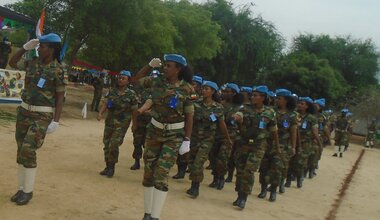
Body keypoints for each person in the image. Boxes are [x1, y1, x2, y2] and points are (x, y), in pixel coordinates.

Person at [131, 54, 195, 220]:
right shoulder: (157, 81)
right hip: (154, 131)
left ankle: (155, 216)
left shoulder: (187, 89)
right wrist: (148, 66)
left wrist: (187, 140)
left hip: (173, 136)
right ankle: (147, 213)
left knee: (161, 173)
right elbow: (136, 81)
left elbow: (189, 116)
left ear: (178, 69)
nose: (164, 68)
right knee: (148, 173)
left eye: (168, 65)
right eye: (164, 65)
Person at [8, 33, 66, 205]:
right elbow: (12, 63)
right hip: (24, 111)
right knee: (21, 150)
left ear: (52, 49)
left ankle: (28, 191)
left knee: (28, 149)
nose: (39, 49)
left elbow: (60, 96)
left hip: (42, 115)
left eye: (42, 46)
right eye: (39, 46)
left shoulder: (58, 70)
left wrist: (56, 120)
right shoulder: (32, 63)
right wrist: (24, 48)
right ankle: (21, 188)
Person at [231, 85, 279, 209]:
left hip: (258, 145)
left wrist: (277, 147)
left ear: (263, 98)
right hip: (243, 143)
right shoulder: (245, 108)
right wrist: (237, 117)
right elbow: (239, 114)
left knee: (249, 170)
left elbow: (274, 130)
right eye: (252, 95)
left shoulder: (269, 112)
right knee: (240, 171)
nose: (252, 97)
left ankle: (244, 198)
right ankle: (239, 194)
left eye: (255, 95)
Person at [186, 80, 232, 198]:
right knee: (191, 162)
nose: (204, 90)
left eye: (207, 89)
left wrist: (227, 138)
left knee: (198, 162)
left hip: (207, 140)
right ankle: (193, 183)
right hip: (194, 138)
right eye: (203, 88)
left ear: (213, 92)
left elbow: (222, 124)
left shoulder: (217, 108)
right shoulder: (195, 103)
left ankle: (195, 187)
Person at [97, 70, 138, 177]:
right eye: (119, 78)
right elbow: (106, 103)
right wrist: (101, 113)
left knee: (114, 144)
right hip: (110, 121)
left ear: (128, 81)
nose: (120, 80)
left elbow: (134, 111)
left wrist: (134, 124)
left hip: (122, 123)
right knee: (106, 143)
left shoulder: (132, 94)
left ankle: (112, 167)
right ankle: (107, 166)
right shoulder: (112, 91)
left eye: (123, 78)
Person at [258, 89, 297, 201]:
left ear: (286, 100)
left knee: (276, 169)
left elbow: (293, 132)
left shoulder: (292, 115)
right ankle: (263, 189)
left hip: (283, 147)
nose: (276, 100)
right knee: (264, 168)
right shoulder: (270, 111)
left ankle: (273, 191)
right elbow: (262, 125)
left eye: (279, 98)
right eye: (276, 98)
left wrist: (293, 147)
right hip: (267, 143)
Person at [209, 82, 242, 189]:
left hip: (230, 135)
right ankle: (215, 178)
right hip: (216, 134)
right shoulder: (220, 105)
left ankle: (221, 177)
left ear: (234, 93)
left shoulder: (239, 108)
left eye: (228, 92)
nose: (225, 93)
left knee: (222, 157)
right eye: (224, 91)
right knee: (213, 156)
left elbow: (241, 123)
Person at [295, 97, 322, 187]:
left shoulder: (312, 118)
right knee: (289, 162)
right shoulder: (294, 114)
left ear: (307, 106)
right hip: (292, 141)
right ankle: (285, 180)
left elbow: (315, 132)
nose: (299, 105)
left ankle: (299, 178)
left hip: (305, 143)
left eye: (302, 104)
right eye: (299, 103)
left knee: (300, 162)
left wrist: (319, 143)